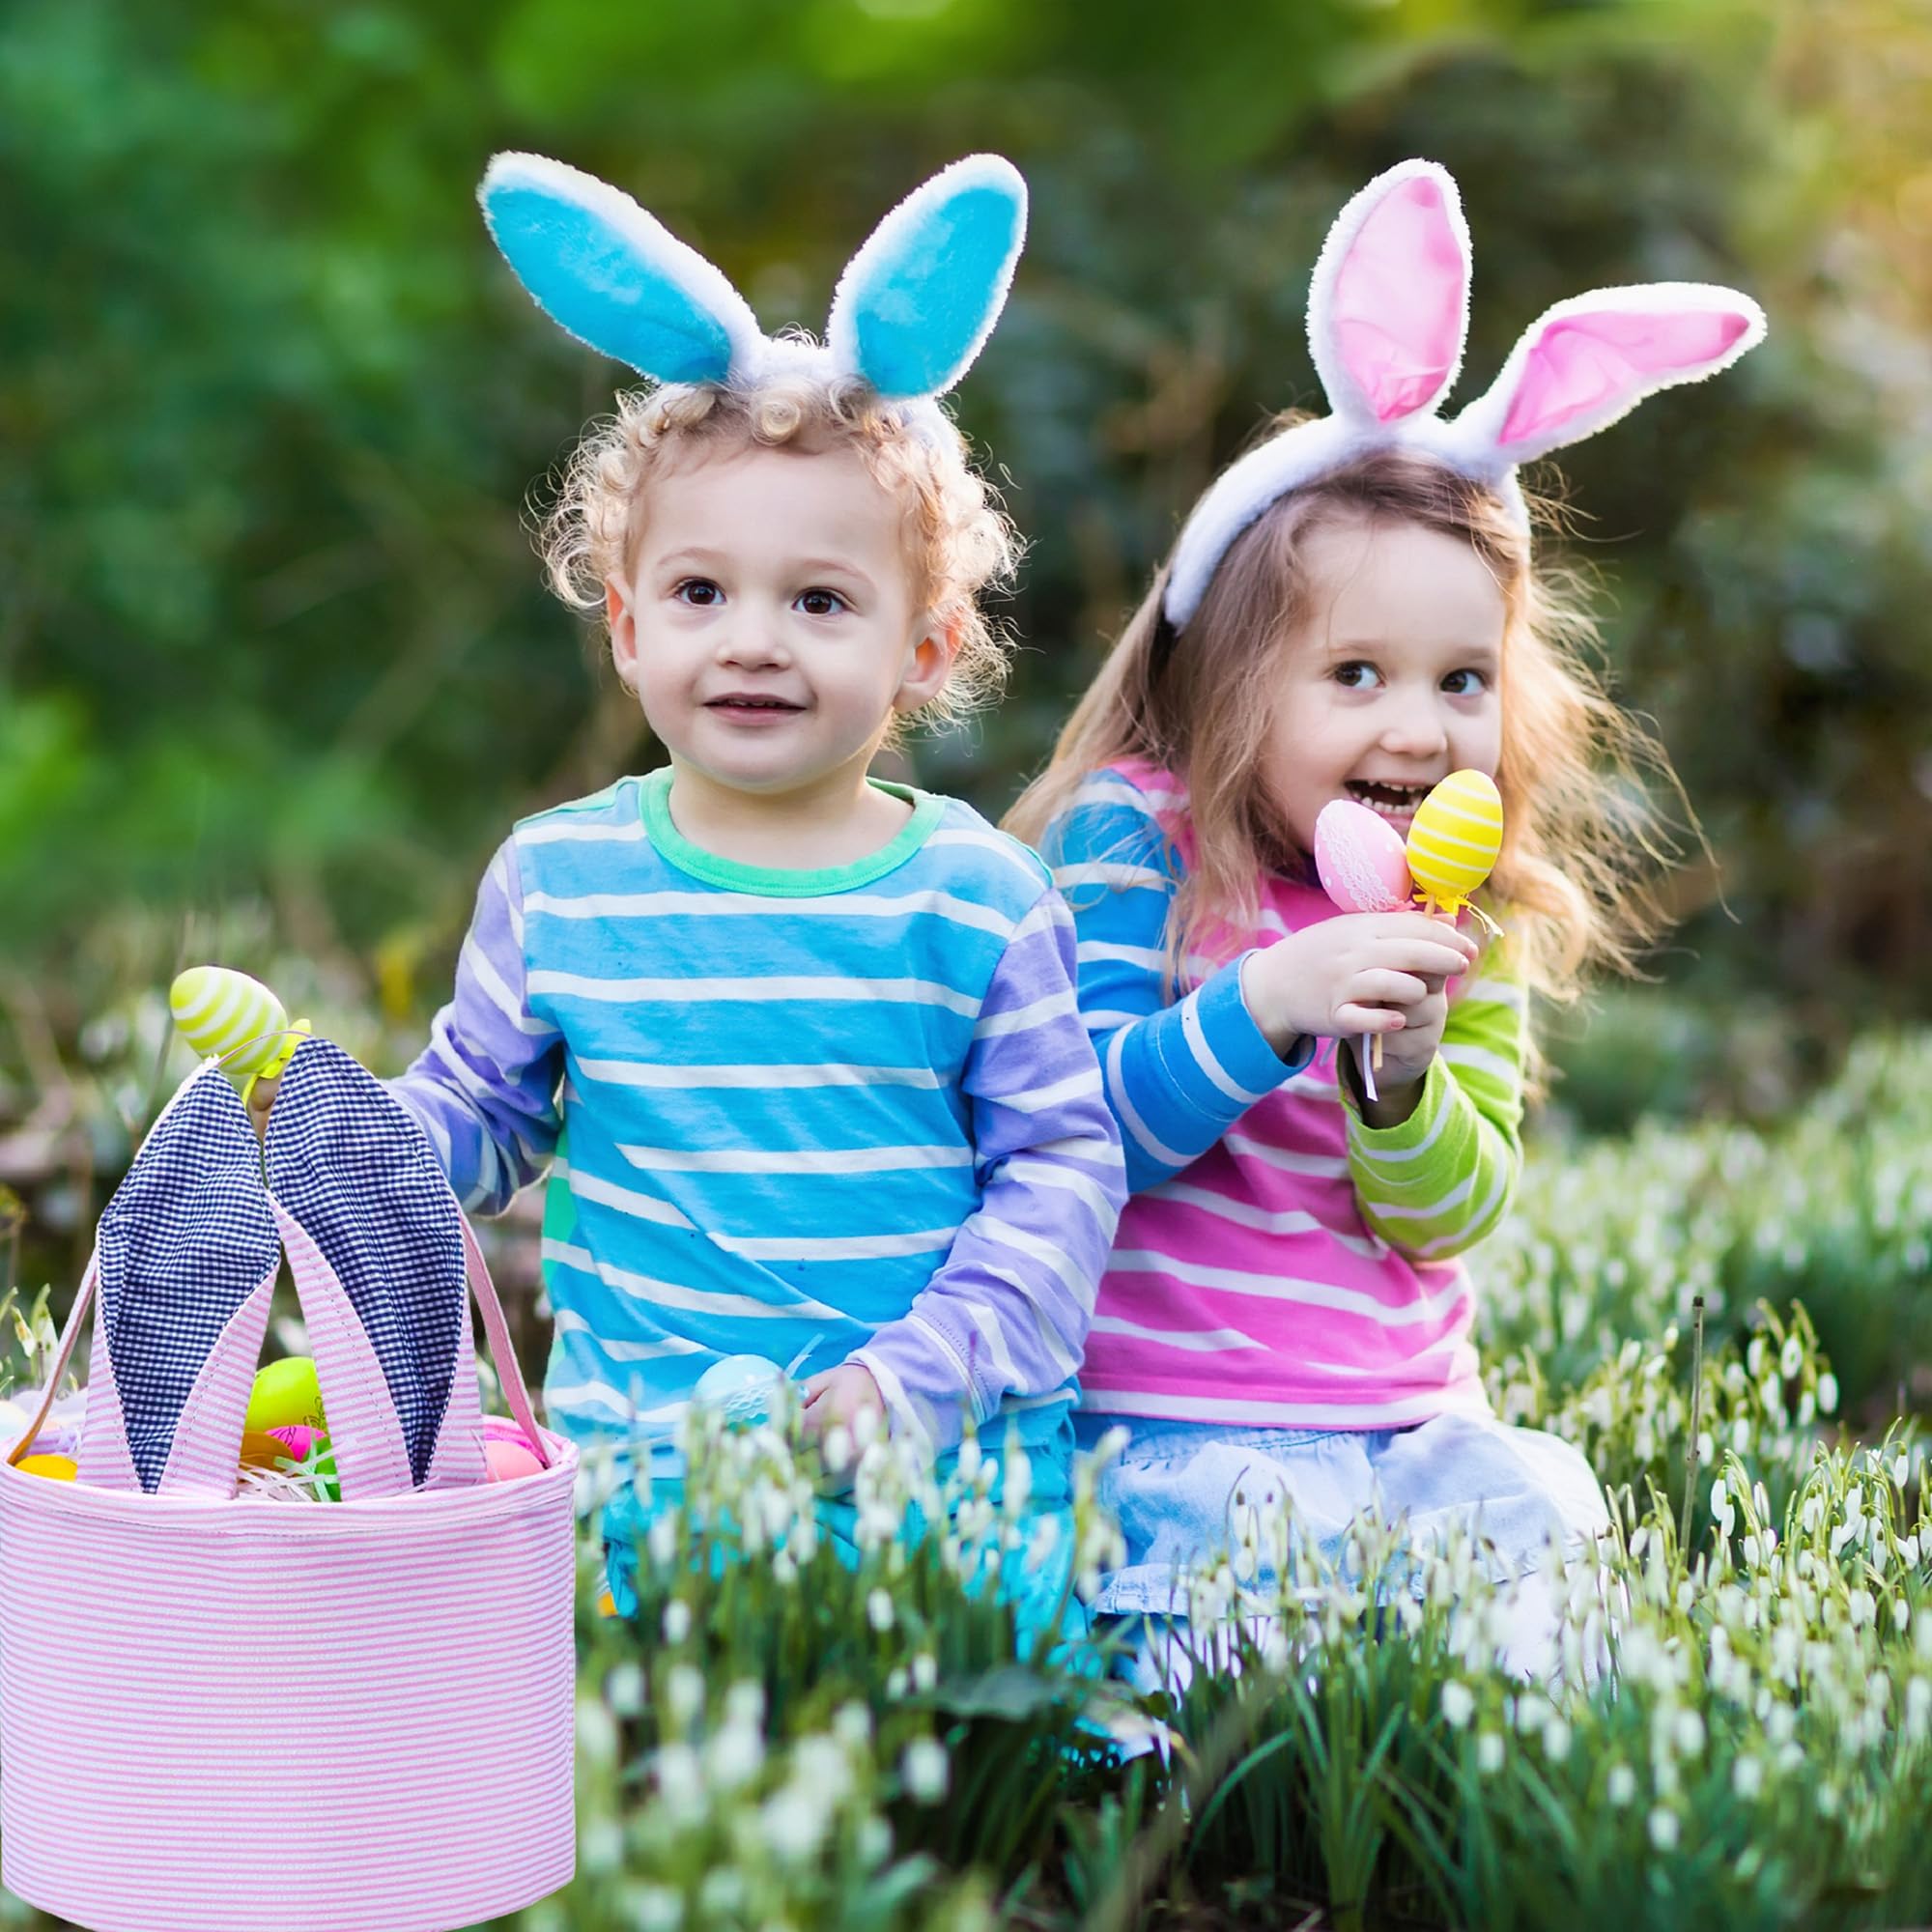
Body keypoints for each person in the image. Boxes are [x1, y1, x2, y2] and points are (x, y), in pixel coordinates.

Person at [1007, 158, 1765, 1680]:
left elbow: (1445, 1214)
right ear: (1230, 679)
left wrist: (1403, 1080)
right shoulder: (1140, 839)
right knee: (1240, 1627)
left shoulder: (1458, 904)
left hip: (1406, 1413)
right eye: (1355, 676)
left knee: (1539, 1564)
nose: (1417, 729)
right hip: (1177, 1414)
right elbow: (1080, 1138)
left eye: (1459, 681)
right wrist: (1268, 1000)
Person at [370, 151, 1124, 1628]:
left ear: (923, 646)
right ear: (627, 627)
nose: (756, 641)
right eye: (703, 593)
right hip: (647, 1485)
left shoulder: (975, 899)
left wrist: (927, 1374)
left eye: (822, 601)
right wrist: (347, 1147)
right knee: (641, 1757)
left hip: (935, 1477)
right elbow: (483, 1117)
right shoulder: (564, 881)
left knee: (978, 1777)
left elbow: (1061, 1175)